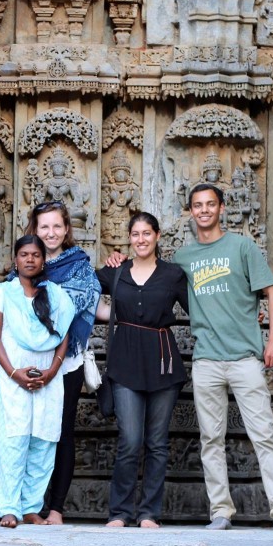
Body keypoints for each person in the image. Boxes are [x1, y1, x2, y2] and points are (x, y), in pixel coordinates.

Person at [109, 185, 273, 532]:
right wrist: (116, 261)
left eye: (210, 204)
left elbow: (271, 291)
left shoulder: (242, 246)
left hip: (245, 356)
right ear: (190, 212)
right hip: (206, 360)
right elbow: (149, 280)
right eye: (197, 205)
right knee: (211, 439)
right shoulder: (181, 260)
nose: (204, 210)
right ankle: (221, 512)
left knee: (264, 435)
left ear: (222, 208)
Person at [96, 213, 188, 529]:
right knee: (130, 440)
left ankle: (149, 512)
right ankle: (120, 512)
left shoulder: (173, 274)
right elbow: (80, 290)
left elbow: (202, 309)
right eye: (135, 234)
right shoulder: (115, 272)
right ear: (129, 238)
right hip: (125, 361)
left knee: (158, 442)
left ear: (157, 236)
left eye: (146, 233)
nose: (141, 239)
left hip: (163, 360)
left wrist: (246, 315)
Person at [0, 235, 74, 529]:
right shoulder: (3, 292)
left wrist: (52, 371)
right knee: (14, 440)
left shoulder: (56, 294)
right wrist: (13, 373)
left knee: (43, 441)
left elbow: (63, 337)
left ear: (43, 260)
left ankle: (31, 507)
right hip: (13, 379)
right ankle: (9, 508)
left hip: (49, 379)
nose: (29, 259)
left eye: (35, 255)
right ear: (16, 259)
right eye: (24, 254)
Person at [23, 201, 100, 524]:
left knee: (62, 431)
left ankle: (55, 508)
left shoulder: (80, 265)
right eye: (44, 227)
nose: (51, 233)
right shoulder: (26, 263)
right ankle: (29, 505)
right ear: (35, 230)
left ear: (66, 230)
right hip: (31, 359)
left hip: (68, 360)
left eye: (57, 226)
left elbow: (83, 299)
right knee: (31, 431)